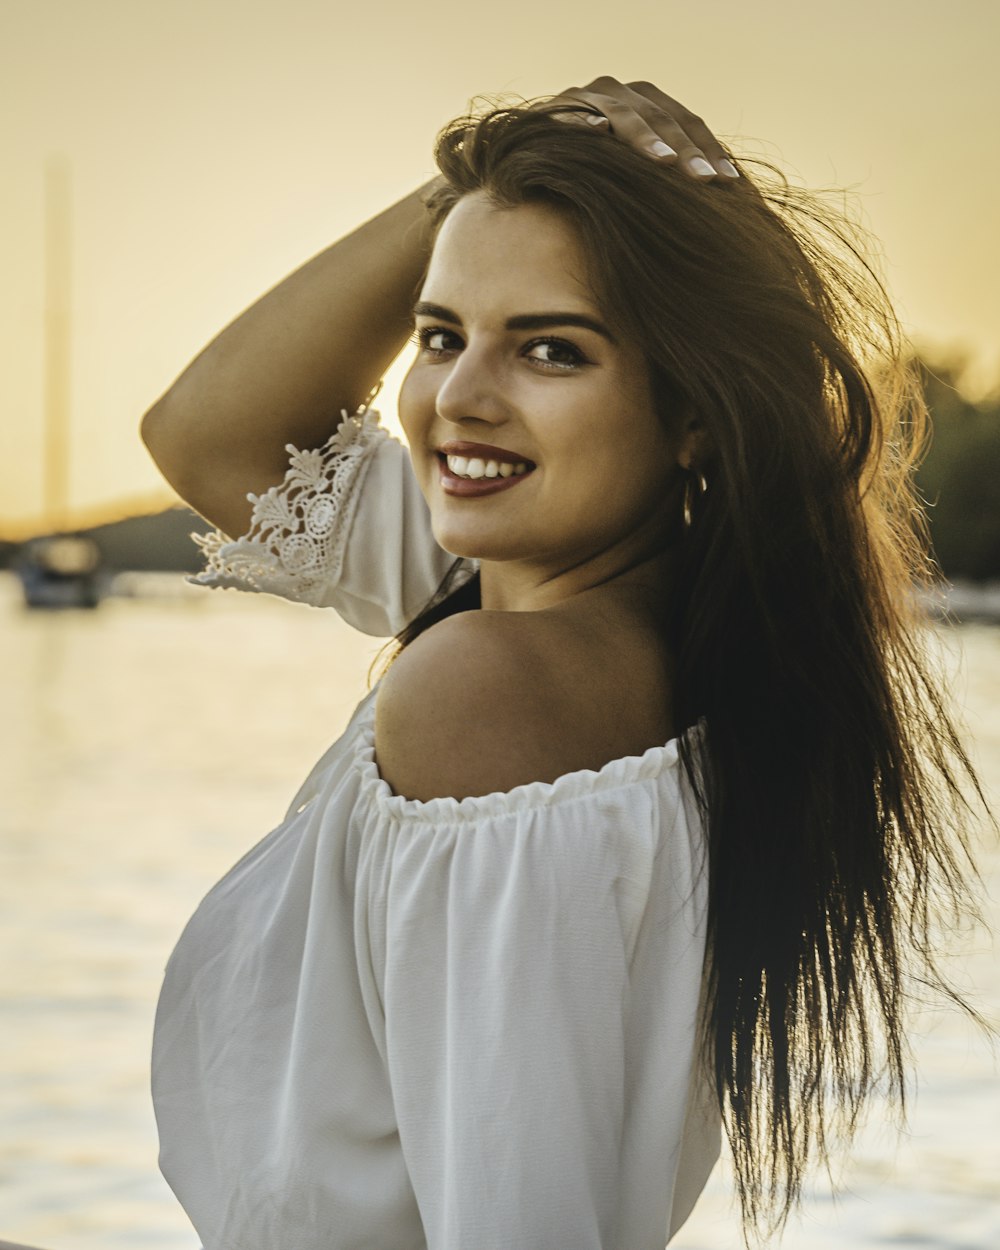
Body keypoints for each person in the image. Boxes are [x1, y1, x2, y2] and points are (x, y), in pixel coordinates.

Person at [134, 75, 984, 1250]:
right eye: (441, 336)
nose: (458, 400)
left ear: (691, 410)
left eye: (549, 349)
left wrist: (482, 189)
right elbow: (211, 434)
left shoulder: (499, 682)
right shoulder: (629, 612)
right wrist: (479, 180)